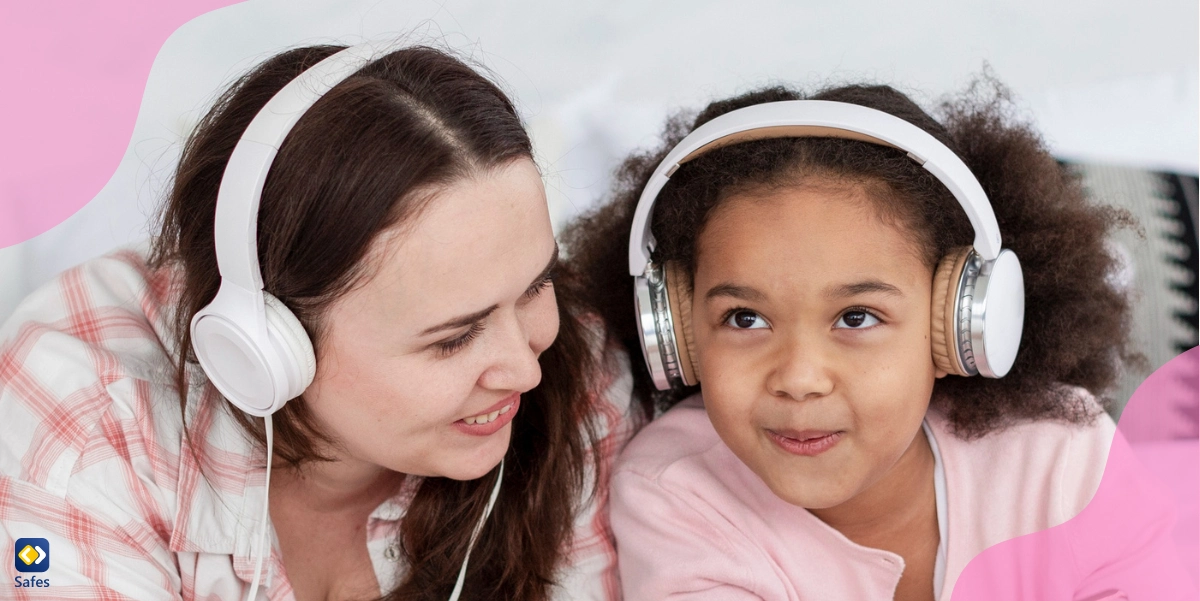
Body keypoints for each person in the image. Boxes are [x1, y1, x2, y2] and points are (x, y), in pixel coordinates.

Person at [0, 43, 639, 601]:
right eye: (453, 339)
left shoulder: (576, 374)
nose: (526, 369)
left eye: (533, 288)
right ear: (263, 346)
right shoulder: (81, 414)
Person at [563, 82, 1195, 600]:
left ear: (957, 327)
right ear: (679, 331)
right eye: (745, 319)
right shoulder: (677, 494)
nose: (801, 377)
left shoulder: (1064, 459)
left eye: (857, 317)